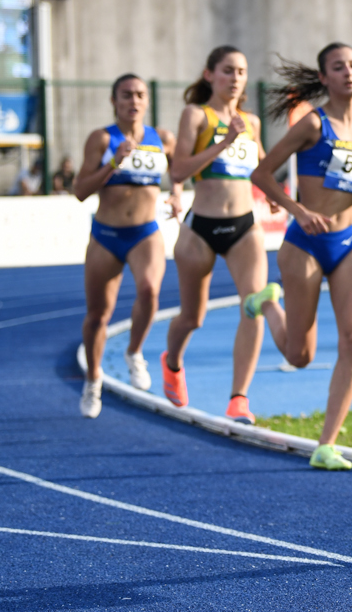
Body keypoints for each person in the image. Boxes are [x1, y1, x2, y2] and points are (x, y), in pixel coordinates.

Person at [246, 44, 352, 469]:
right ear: (324, 78)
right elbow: (262, 174)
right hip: (305, 244)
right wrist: (298, 210)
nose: (348, 72)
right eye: (338, 67)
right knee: (300, 357)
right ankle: (268, 303)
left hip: (348, 241)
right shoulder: (313, 124)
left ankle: (326, 445)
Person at [162, 46, 268, 424]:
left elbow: (261, 167)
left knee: (253, 306)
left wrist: (276, 195)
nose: (235, 78)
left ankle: (239, 398)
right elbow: (179, 171)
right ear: (209, 75)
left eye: (241, 71)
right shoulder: (196, 115)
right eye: (227, 70)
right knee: (193, 318)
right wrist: (224, 142)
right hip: (201, 229)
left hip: (243, 227)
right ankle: (172, 362)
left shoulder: (251, 122)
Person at [73, 75, 181, 417]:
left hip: (145, 233)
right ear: (114, 101)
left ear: (147, 100)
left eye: (139, 95)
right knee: (97, 316)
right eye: (126, 95)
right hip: (106, 235)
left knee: (150, 291)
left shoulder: (162, 138)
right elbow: (80, 190)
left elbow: (179, 171)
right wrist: (113, 163)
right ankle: (93, 379)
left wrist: (177, 193)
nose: (133, 101)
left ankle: (134, 351)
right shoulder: (102, 139)